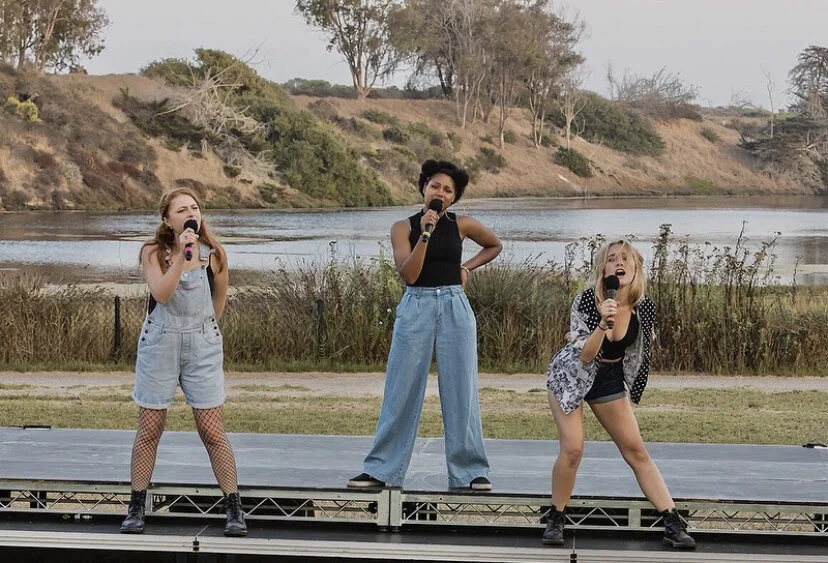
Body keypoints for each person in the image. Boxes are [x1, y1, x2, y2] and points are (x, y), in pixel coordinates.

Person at [348, 159, 502, 491]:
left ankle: (470, 470)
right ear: (423, 187)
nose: (441, 193)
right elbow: (409, 274)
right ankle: (381, 469)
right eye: (435, 186)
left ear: (454, 197)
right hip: (416, 303)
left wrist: (468, 268)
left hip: (454, 306)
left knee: (461, 389)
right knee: (400, 389)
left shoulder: (462, 224)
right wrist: (425, 234)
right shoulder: (402, 228)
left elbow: (494, 245)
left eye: (448, 190)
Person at [543, 240, 695, 549]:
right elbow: (585, 356)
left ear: (636, 269)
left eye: (625, 258)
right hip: (571, 375)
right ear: (603, 269)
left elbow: (641, 351)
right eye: (611, 259)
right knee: (573, 449)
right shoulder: (587, 300)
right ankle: (556, 517)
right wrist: (602, 323)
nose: (618, 263)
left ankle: (671, 521)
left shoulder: (644, 307)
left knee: (636, 450)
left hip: (609, 377)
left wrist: (631, 387)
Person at [120, 188, 246, 537]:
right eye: (181, 209)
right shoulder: (153, 253)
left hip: (201, 344)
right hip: (160, 342)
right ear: (167, 219)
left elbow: (217, 304)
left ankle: (234, 507)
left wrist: (203, 334)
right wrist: (182, 254)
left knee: (211, 429)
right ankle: (136, 505)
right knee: (149, 427)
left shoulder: (216, 255)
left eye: (194, 208)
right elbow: (161, 293)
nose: (190, 213)